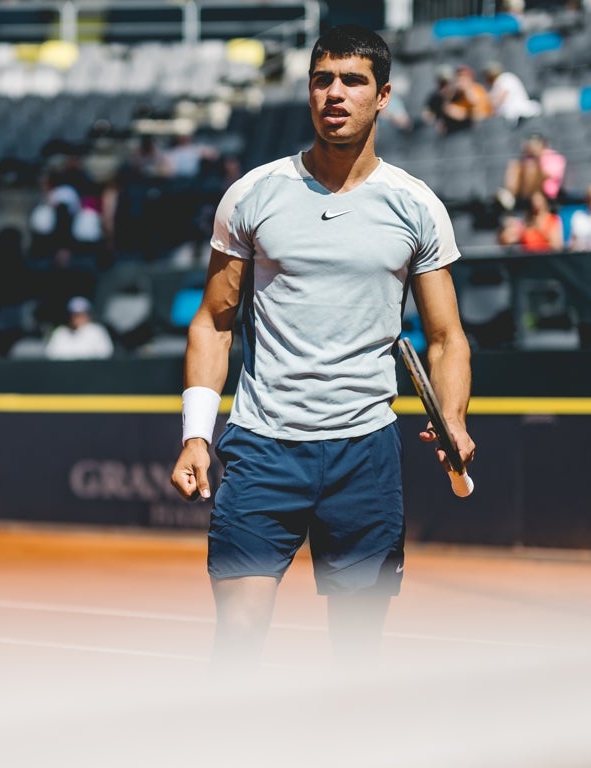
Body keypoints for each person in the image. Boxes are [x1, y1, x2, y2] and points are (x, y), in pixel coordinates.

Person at [170, 24, 475, 674]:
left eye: (353, 80)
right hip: (262, 446)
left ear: (383, 95)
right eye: (322, 79)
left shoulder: (415, 205)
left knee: (356, 657)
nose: (335, 93)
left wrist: (453, 415)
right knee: (240, 638)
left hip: (364, 453)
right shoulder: (253, 195)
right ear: (309, 92)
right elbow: (213, 322)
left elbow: (447, 338)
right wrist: (198, 435)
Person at [498, 133, 566, 209]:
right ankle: (510, 194)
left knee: (531, 168)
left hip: (547, 193)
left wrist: (536, 160)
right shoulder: (528, 158)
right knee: (515, 165)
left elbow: (551, 175)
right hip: (526, 191)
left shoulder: (553, 157)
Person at [44, 297, 114, 360]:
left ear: (87, 314)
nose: (77, 317)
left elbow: (105, 355)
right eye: (74, 314)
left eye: (80, 314)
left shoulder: (97, 331)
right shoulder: (60, 332)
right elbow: (50, 355)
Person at [498, 190, 562, 252]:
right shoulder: (527, 222)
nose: (536, 204)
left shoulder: (552, 220)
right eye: (534, 201)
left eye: (539, 200)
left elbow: (556, 246)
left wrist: (541, 230)